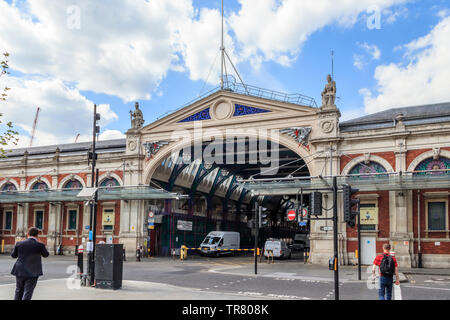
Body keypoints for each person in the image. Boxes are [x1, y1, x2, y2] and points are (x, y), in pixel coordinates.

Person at [11, 227, 49, 300]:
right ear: (37, 235)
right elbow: (46, 255)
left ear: (27, 234)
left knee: (18, 290)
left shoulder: (19, 243)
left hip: (20, 270)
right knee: (28, 292)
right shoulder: (40, 245)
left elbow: (13, 255)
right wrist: (40, 242)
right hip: (33, 271)